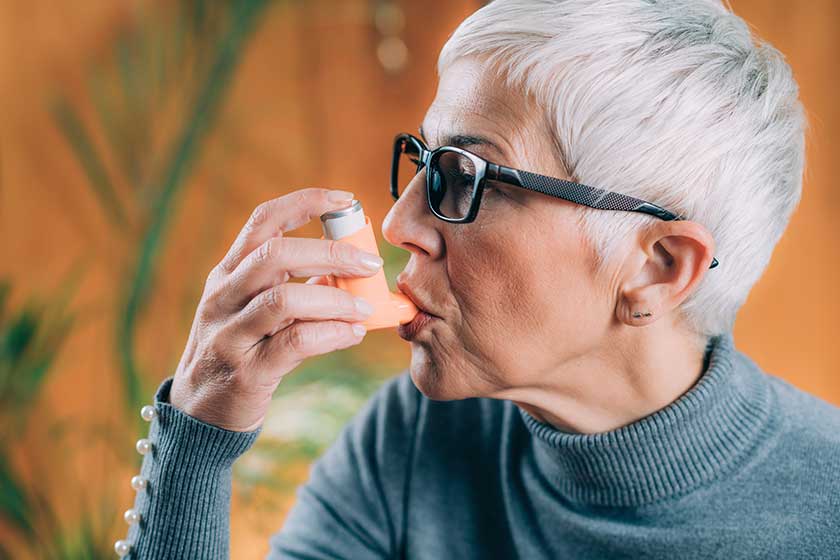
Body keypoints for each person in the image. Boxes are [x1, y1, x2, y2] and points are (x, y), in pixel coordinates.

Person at [116, 1, 840, 558]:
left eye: (466, 177)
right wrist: (199, 437)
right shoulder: (414, 439)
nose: (399, 223)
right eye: (425, 162)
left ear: (658, 267)